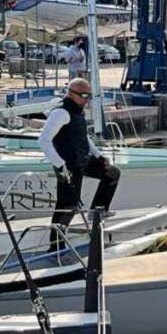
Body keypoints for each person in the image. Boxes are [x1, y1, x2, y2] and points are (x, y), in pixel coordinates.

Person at [38, 78, 120, 251]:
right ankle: (55, 247)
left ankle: (97, 212)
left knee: (112, 173)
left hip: (82, 160)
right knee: (67, 206)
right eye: (83, 95)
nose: (87, 99)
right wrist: (60, 165)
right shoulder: (61, 113)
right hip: (67, 165)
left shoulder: (78, 110)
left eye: (89, 95)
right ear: (71, 93)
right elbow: (44, 140)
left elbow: (83, 136)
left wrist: (99, 155)